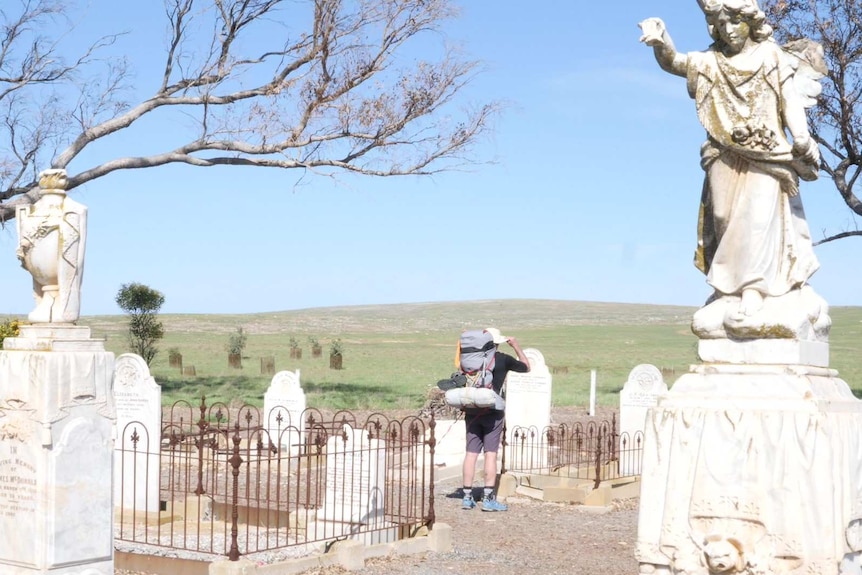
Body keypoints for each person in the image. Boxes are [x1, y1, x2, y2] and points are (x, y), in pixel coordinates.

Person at [638, 0, 824, 325]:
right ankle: (726, 286)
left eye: (733, 22)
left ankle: (753, 287)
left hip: (767, 152)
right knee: (722, 216)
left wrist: (801, 136)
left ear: (750, 21)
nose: (727, 30)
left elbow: (789, 100)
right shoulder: (712, 61)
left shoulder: (770, 56)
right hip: (722, 151)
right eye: (719, 24)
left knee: (757, 217)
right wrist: (661, 40)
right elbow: (675, 62)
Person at [460, 327, 529, 512]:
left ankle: (467, 498)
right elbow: (526, 367)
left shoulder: (468, 360)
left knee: (471, 453)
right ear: (496, 343)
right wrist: (516, 346)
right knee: (490, 454)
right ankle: (489, 499)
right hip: (493, 411)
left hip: (472, 410)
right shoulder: (502, 359)